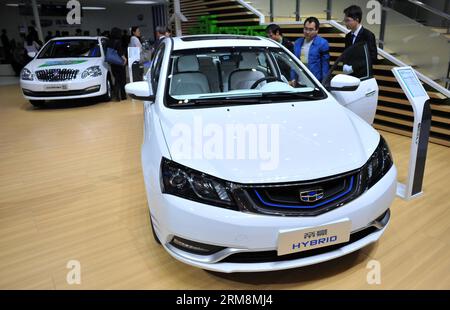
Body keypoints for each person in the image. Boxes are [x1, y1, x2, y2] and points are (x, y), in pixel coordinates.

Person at [343, 5, 377, 76]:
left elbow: (372, 57)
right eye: (345, 20)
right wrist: (345, 64)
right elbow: (346, 54)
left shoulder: (368, 35)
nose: (345, 23)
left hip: (363, 75)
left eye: (348, 20)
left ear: (357, 20)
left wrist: (353, 67)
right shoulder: (348, 36)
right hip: (350, 76)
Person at [292, 17, 329, 82]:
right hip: (299, 80)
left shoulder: (322, 43)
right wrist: (293, 78)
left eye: (311, 29)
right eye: (305, 29)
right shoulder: (298, 42)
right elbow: (294, 62)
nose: (307, 32)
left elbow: (325, 65)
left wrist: (324, 82)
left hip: (314, 82)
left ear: (317, 30)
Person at [108, 27, 127, 102]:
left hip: (113, 63)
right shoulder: (118, 41)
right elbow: (120, 52)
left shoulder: (109, 41)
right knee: (122, 79)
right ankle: (123, 96)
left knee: (117, 79)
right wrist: (125, 59)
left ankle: (116, 95)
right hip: (119, 63)